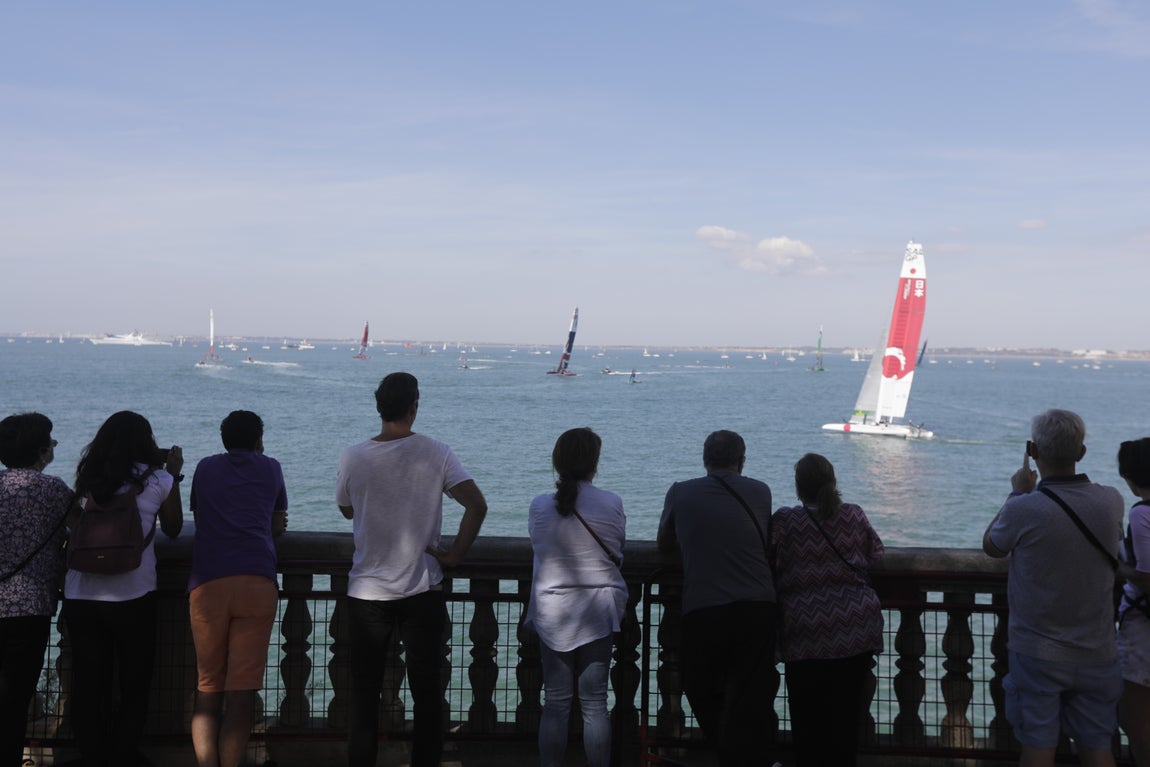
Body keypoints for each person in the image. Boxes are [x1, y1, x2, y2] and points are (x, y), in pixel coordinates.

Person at [336, 372, 488, 767]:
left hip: (367, 592)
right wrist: (453, 554)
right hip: (422, 589)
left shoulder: (354, 455)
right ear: (414, 406)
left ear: (378, 406)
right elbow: (476, 505)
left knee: (365, 696)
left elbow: (347, 507)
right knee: (427, 695)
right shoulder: (436, 452)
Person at [983, 409, 1124, 767]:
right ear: (1081, 453)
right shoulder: (1111, 500)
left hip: (1037, 653)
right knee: (1098, 748)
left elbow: (992, 546)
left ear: (1032, 450)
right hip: (1098, 649)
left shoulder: (1025, 508)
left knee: (1038, 748)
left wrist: (1016, 493)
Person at [62, 411, 184, 767]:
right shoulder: (159, 479)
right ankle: (123, 754)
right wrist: (174, 474)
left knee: (89, 682)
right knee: (134, 682)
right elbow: (174, 528)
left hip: (81, 593)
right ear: (147, 444)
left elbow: (75, 525)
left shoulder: (89, 479)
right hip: (133, 594)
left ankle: (92, 755)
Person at [657, 429, 777, 767]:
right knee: (751, 692)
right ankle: (748, 759)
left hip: (704, 605)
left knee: (698, 685)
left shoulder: (680, 493)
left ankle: (730, 754)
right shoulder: (761, 491)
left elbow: (663, 543)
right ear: (742, 461)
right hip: (758, 605)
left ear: (705, 459)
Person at [188, 411, 288, 767]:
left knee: (207, 688)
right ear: (259, 440)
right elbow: (277, 525)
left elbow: (200, 519)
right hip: (256, 580)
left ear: (223, 439)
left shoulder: (204, 468)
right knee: (242, 693)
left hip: (208, 582)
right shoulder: (271, 468)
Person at [772, 453, 884, 767]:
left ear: (798, 488)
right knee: (846, 725)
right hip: (855, 629)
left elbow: (770, 561)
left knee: (808, 728)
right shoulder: (854, 514)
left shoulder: (785, 521)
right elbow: (876, 555)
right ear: (833, 482)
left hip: (805, 633)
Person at [525, 428, 627, 767]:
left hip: (553, 612)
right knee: (595, 704)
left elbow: (539, 548)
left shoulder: (540, 506)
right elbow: (618, 549)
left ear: (558, 463)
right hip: (598, 611)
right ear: (594, 464)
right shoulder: (612, 502)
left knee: (555, 702)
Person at [0, 413, 75, 767]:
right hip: (30, 607)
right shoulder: (55, 491)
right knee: (16, 699)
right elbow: (83, 530)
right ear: (42, 452)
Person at [1117, 437, 1150, 764]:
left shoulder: (1142, 513)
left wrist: (1119, 566)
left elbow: (1146, 576)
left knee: (1135, 721)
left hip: (1142, 633)